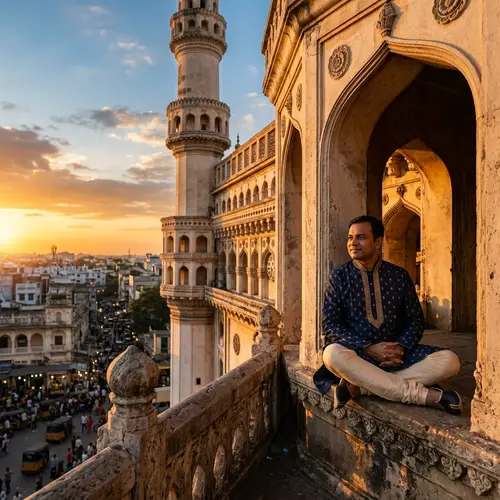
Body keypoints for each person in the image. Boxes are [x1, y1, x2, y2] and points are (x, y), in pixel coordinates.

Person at [314, 215, 463, 413]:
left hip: (398, 357)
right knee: (331, 354)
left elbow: (415, 320)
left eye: (360, 237)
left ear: (377, 242)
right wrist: (368, 348)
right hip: (358, 356)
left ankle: (362, 387)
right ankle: (425, 396)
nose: (353, 243)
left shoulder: (399, 276)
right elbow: (331, 324)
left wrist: (401, 347)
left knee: (450, 360)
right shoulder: (339, 278)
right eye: (350, 238)